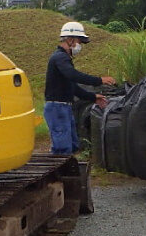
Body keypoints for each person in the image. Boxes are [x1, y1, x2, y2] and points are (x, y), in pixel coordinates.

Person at [44, 21, 116, 155]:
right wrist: (99, 80)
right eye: (79, 42)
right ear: (70, 39)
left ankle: (65, 172)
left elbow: (73, 87)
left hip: (64, 107)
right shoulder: (60, 58)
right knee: (62, 148)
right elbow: (73, 75)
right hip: (57, 108)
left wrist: (93, 97)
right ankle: (58, 174)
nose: (79, 46)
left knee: (72, 145)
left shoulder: (64, 58)